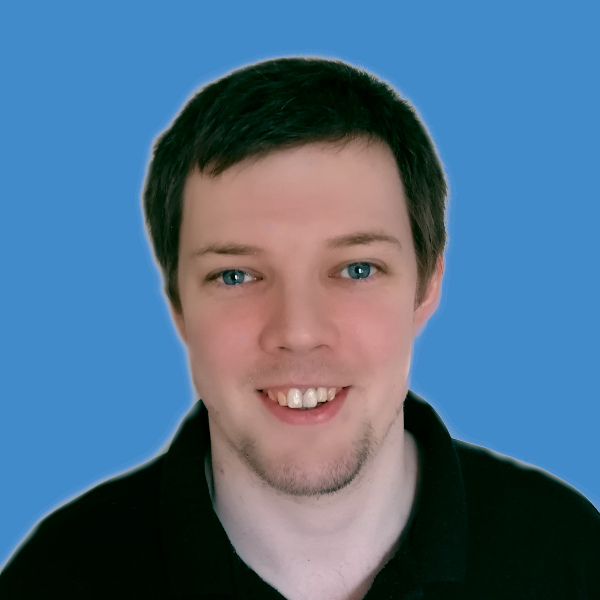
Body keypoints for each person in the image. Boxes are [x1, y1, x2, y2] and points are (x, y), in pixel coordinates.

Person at [1, 56, 598, 600]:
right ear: (178, 304)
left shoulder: (573, 560)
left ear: (427, 286)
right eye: (235, 275)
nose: (300, 331)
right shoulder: (51, 583)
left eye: (357, 269)